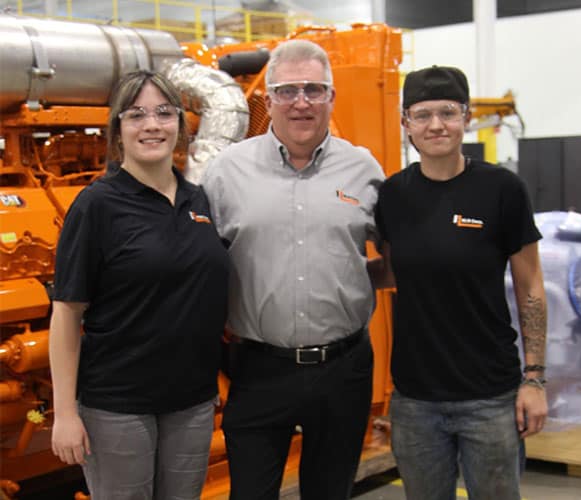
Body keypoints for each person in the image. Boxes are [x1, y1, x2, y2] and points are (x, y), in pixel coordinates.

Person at [202, 39, 385, 500]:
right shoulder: (225, 172)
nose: (301, 102)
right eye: (287, 91)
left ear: (331, 98)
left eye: (313, 89)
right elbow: (199, 263)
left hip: (343, 368)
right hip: (259, 368)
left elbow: (404, 252)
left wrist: (355, 280)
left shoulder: (362, 169)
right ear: (269, 99)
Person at [49, 70, 229, 500]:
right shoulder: (97, 205)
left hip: (191, 401)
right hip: (117, 404)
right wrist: (64, 413)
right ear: (117, 130)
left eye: (165, 113)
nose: (152, 125)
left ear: (181, 128)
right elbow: (67, 312)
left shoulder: (197, 200)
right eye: (136, 114)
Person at [375, 65, 548, 500]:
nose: (436, 125)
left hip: (489, 397)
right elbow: (394, 271)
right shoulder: (392, 196)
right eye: (423, 114)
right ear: (406, 123)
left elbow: (531, 288)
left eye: (448, 112)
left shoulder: (502, 189)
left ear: (466, 117)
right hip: (415, 400)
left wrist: (535, 380)